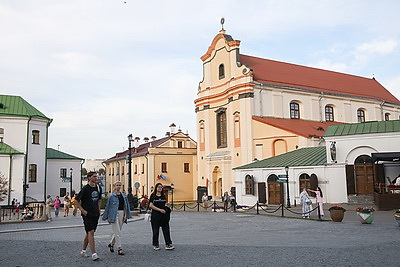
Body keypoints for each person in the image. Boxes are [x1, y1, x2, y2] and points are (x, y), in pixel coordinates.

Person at [74, 172, 102, 261]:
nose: (96, 178)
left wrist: (99, 209)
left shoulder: (98, 187)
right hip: (87, 214)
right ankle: (94, 254)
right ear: (89, 178)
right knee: (91, 232)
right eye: (94, 176)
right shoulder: (85, 189)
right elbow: (76, 201)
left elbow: (99, 199)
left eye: (96, 176)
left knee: (89, 233)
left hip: (95, 214)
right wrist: (82, 210)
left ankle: (83, 250)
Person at [102, 181, 132, 256]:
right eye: (117, 185)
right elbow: (108, 207)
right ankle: (119, 248)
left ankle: (111, 244)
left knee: (117, 232)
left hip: (121, 214)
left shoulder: (124, 196)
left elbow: (125, 206)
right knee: (118, 232)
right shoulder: (111, 196)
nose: (118, 186)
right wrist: (107, 217)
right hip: (114, 214)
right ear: (114, 186)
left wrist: (125, 215)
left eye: (119, 185)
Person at [149, 183, 174, 251]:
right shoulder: (153, 196)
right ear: (156, 188)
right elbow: (151, 205)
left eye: (161, 187)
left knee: (166, 229)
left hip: (163, 215)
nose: (160, 188)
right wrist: (159, 210)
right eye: (158, 187)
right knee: (155, 230)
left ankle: (168, 244)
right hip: (155, 214)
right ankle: (156, 244)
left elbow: (164, 203)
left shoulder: (163, 195)